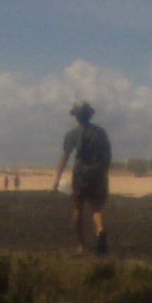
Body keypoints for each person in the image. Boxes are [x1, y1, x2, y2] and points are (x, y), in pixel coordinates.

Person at [52, 100, 112, 255]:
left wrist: (57, 178)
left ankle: (80, 245)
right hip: (98, 174)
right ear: (89, 115)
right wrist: (104, 172)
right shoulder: (101, 132)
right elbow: (108, 155)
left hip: (81, 176)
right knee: (96, 207)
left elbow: (65, 156)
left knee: (77, 207)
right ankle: (100, 230)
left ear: (77, 116)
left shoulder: (72, 134)